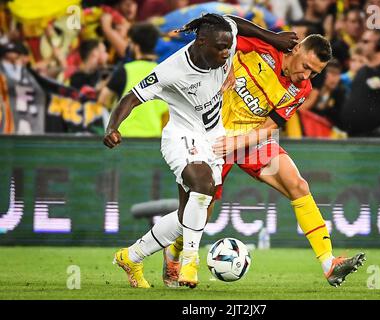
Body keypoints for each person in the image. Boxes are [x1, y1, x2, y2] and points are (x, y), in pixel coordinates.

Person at [103, 13, 298, 289]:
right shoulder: (172, 70)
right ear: (201, 41)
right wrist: (113, 127)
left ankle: (131, 256)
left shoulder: (223, 37)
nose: (226, 53)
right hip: (180, 136)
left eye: (228, 47)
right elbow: (131, 98)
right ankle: (190, 262)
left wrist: (272, 37)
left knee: (189, 216)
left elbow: (233, 21)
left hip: (213, 137)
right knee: (203, 184)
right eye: (220, 48)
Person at [162, 34, 366, 288]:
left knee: (298, 184)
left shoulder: (301, 90)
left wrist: (239, 142)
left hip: (250, 138)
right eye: (306, 67)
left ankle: (329, 263)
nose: (306, 77)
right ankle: (174, 252)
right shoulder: (266, 46)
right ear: (298, 48)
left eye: (314, 74)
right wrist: (226, 67)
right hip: (212, 132)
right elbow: (226, 35)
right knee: (202, 207)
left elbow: (271, 126)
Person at [98, 22, 168, 137]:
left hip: (124, 138)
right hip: (154, 139)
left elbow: (103, 100)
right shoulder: (163, 72)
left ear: (136, 46)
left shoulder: (125, 70)